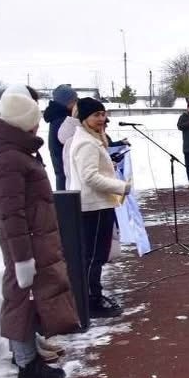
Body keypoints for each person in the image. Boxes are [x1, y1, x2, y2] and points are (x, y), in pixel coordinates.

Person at [0, 84, 80, 378]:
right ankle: (27, 366)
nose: (38, 123)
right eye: (34, 119)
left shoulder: (15, 152)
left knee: (24, 296)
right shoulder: (11, 159)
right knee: (21, 297)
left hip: (31, 238)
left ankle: (25, 353)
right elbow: (11, 214)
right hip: (26, 242)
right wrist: (23, 258)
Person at [68, 97, 132, 318]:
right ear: (84, 118)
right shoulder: (86, 142)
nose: (101, 119)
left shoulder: (92, 139)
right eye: (96, 115)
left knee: (97, 254)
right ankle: (91, 300)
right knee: (94, 256)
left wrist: (109, 166)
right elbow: (90, 177)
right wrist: (121, 186)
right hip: (93, 206)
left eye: (103, 114)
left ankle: (93, 296)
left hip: (98, 204)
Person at [42, 84, 77, 191]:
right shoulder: (63, 121)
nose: (76, 103)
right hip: (67, 177)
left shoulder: (58, 118)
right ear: (67, 102)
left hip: (64, 175)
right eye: (74, 100)